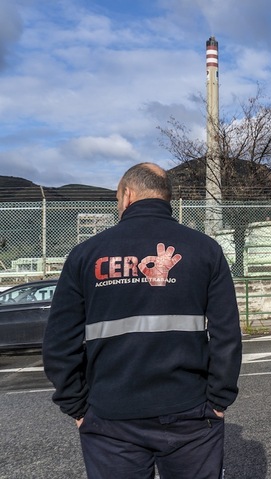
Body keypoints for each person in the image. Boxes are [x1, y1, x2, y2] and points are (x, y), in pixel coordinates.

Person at [43, 163, 242, 479]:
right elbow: (227, 334)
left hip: (110, 418)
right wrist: (218, 400)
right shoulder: (205, 249)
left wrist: (78, 408)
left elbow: (58, 345)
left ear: (127, 195)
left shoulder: (86, 254)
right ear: (166, 198)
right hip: (190, 413)